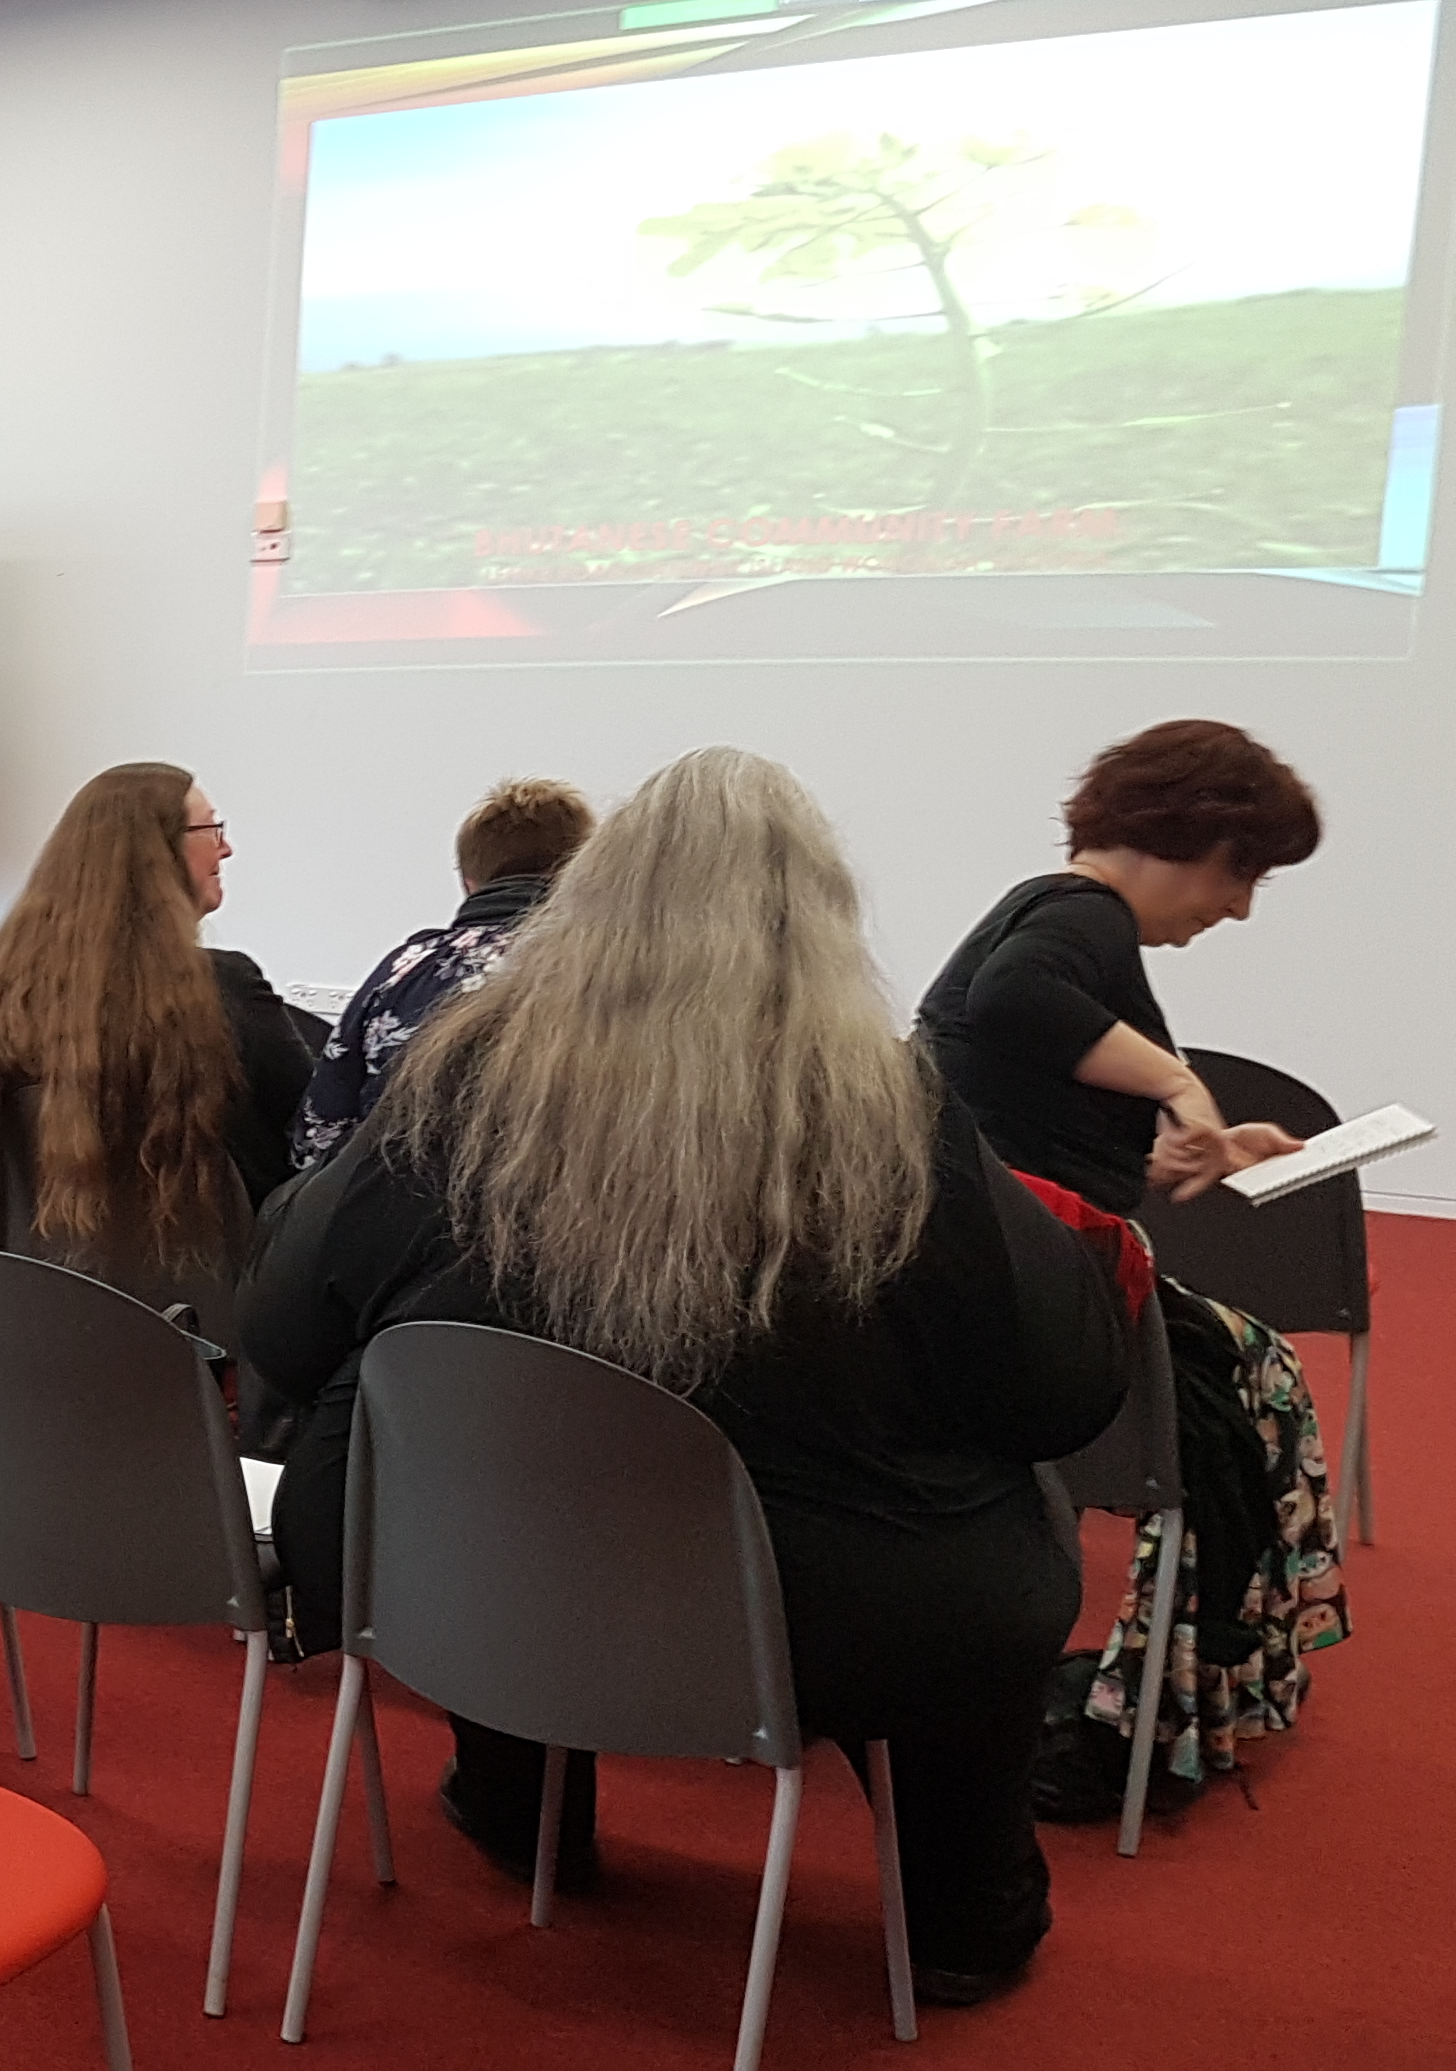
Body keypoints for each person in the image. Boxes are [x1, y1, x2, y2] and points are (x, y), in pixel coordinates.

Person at [244, 750, 1127, 2004]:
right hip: (815, 1610)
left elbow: (282, 1325)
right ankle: (960, 1912)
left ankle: (520, 1808)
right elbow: (1063, 1392)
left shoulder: (457, 1084)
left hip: (457, 1572)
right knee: (1000, 1521)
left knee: (513, 1465)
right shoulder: (893, 1122)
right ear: (823, 924)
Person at [916, 719, 1346, 1799]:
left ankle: (1179, 1687)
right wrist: (1175, 1085)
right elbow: (1014, 999)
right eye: (1238, 872)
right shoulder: (1078, 915)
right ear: (1188, 834)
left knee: (1250, 1382)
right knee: (1254, 1388)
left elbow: (1030, 1138)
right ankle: (1165, 1703)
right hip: (1018, 1305)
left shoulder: (1059, 916)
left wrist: (1193, 1142)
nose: (1237, 906)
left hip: (997, 1280)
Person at [0, 762, 314, 1308]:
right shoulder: (223, 987)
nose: (225, 850)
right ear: (156, 854)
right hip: (208, 1311)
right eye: (212, 831)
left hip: (36, 1303)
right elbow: (313, 1134)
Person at [293, 777, 592, 1166]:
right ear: (587, 873)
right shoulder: (610, 974)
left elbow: (317, 1135)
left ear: (469, 882)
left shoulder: (405, 969)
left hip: (398, 1211)